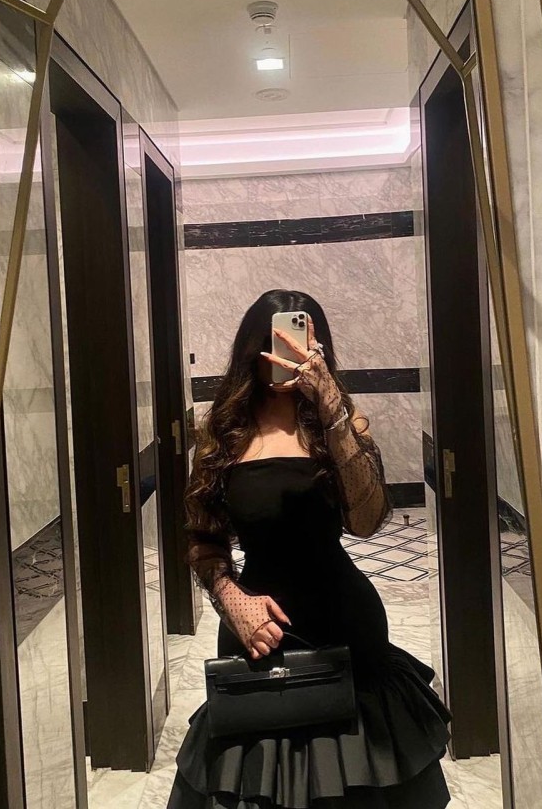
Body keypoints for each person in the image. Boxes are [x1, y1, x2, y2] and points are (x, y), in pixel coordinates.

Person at [167, 290, 452, 808]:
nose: (288, 353)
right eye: (274, 342)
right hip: (258, 632)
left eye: (301, 341)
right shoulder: (223, 436)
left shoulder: (341, 425)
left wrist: (331, 406)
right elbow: (202, 537)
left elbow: (366, 521)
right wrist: (231, 599)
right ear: (252, 349)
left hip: (345, 625)